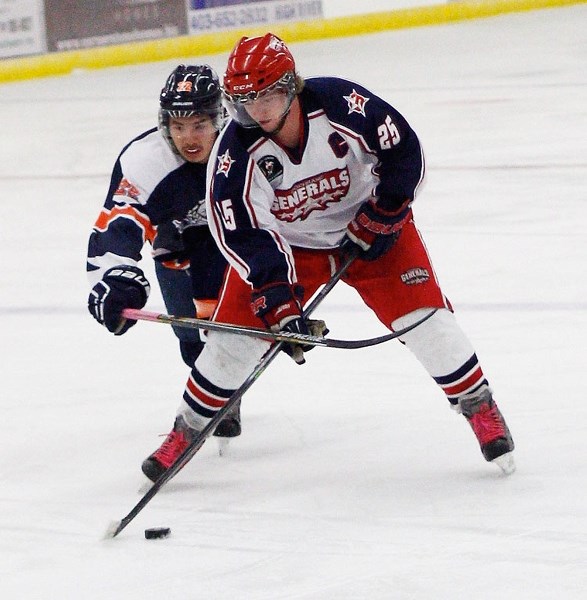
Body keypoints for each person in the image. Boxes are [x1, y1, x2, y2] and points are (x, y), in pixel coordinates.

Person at [156, 33, 515, 478]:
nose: (256, 110)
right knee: (232, 341)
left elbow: (403, 152)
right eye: (245, 100)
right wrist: (274, 292)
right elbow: (241, 228)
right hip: (292, 245)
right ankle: (186, 430)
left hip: (370, 230)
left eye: (266, 96)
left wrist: (385, 212)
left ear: (289, 86)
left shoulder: (341, 103)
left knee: (427, 323)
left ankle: (479, 406)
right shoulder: (234, 152)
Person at [86, 64, 241, 482]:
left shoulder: (246, 144)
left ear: (219, 118)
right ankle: (218, 386)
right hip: (177, 247)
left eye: (199, 124)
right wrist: (116, 278)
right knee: (190, 336)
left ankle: (220, 389)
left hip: (238, 239)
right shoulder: (144, 160)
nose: (188, 137)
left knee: (229, 324)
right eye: (177, 125)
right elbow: (118, 224)